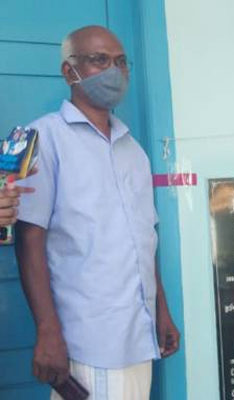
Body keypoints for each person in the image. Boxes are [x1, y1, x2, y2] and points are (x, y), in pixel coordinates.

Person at [14, 26, 179, 399]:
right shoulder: (43, 139)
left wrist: (161, 310)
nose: (114, 71)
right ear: (69, 71)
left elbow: (144, 237)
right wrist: (47, 331)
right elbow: (29, 240)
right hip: (88, 342)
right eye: (99, 60)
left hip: (139, 335)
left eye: (121, 62)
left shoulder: (133, 150)